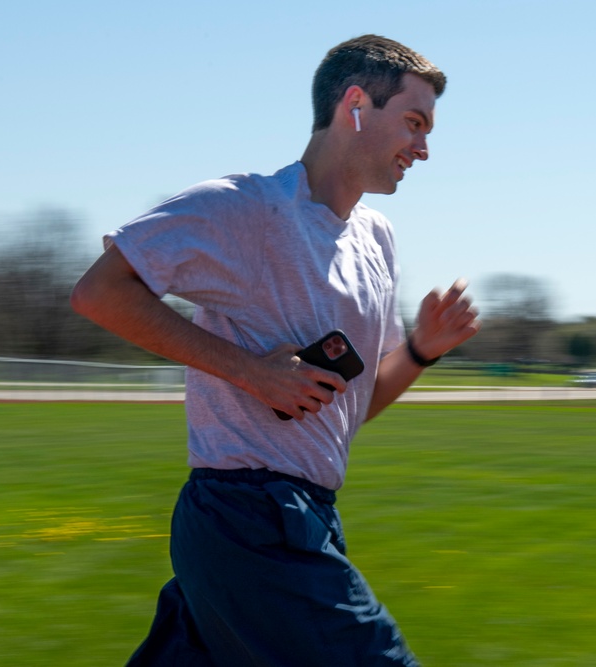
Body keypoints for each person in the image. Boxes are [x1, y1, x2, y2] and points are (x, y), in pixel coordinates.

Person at [70, 34, 480, 666]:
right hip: (249, 517)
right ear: (355, 105)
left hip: (305, 516)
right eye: (414, 123)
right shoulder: (246, 210)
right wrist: (251, 372)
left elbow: (353, 407)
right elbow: (100, 292)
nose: (424, 149)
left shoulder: (377, 239)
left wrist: (422, 350)